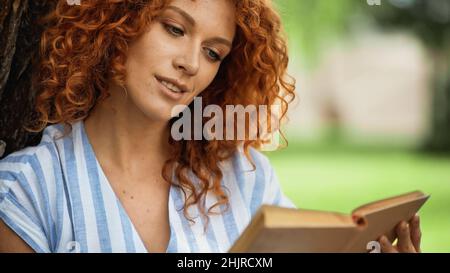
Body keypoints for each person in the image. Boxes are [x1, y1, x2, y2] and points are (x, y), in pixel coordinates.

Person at [0, 0, 421, 253]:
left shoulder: (244, 176)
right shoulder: (27, 190)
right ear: (119, 20)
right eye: (174, 29)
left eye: (214, 53)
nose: (190, 64)